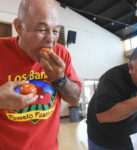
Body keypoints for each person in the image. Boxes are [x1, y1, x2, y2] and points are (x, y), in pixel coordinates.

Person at [0, 0, 82, 150]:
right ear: (19, 27)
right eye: (42, 30)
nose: (51, 39)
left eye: (55, 31)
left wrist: (60, 79)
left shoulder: (61, 53)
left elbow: (74, 99)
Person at [87, 44, 137, 150]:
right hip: (104, 142)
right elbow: (103, 116)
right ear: (131, 67)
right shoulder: (112, 79)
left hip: (136, 140)